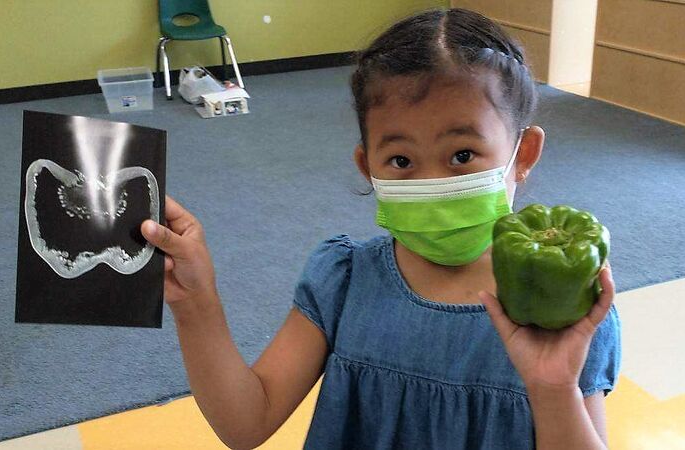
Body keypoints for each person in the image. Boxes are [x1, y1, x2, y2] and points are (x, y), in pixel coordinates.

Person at [140, 7, 621, 450]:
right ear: (367, 167)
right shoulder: (345, 280)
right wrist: (196, 304)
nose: (432, 181)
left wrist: (554, 391)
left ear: (524, 156)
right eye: (401, 160)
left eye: (462, 155)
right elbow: (244, 422)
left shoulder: (564, 303)